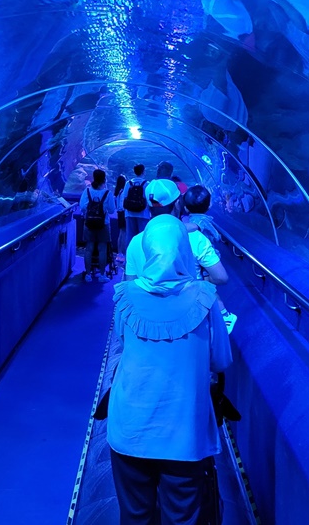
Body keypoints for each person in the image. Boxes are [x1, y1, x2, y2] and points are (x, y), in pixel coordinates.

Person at [108, 215, 233, 524]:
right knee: (182, 515)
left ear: (148, 249)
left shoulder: (124, 295)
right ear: (183, 250)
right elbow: (220, 361)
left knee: (135, 516)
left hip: (129, 428)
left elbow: (123, 340)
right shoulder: (205, 298)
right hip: (183, 432)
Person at [182, 185, 237, 334]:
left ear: (186, 208)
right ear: (210, 205)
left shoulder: (196, 223)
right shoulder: (208, 220)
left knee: (207, 289)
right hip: (208, 256)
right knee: (209, 289)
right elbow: (217, 236)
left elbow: (194, 227)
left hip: (205, 259)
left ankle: (225, 315)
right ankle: (222, 314)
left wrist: (175, 227)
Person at [123, 178, 182, 283]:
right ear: (177, 203)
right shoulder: (192, 237)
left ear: (148, 205)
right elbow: (219, 277)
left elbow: (129, 282)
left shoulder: (135, 241)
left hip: (145, 298)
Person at [80, 169, 116, 282]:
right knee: (102, 249)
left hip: (89, 223)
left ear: (93, 178)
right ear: (104, 179)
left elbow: (82, 207)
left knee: (88, 249)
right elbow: (111, 210)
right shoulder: (108, 193)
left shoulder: (87, 191)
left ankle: (88, 275)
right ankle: (102, 275)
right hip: (103, 224)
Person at [117, 164, 149, 254]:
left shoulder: (128, 183)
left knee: (129, 236)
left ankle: (129, 258)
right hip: (143, 214)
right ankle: (141, 257)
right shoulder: (147, 184)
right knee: (142, 237)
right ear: (143, 171)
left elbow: (124, 198)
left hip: (129, 214)